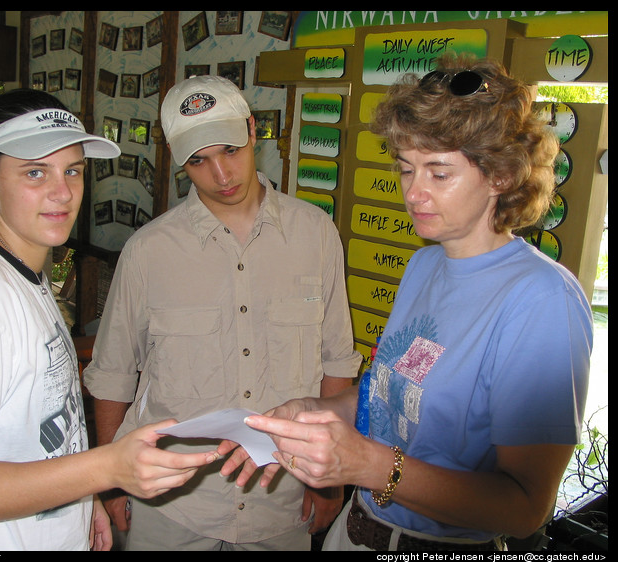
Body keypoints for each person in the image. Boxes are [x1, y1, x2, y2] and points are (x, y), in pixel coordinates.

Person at [236, 53, 594, 551]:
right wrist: (317, 409)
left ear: (502, 176)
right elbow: (389, 398)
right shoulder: (425, 264)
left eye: (439, 173)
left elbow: (524, 508)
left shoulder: (542, 300)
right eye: (407, 169)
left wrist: (364, 463)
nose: (415, 193)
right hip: (357, 530)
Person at [0, 89, 220, 551]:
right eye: (35, 172)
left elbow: (39, 435)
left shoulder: (26, 275)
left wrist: (82, 496)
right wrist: (106, 469)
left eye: (72, 170)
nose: (63, 192)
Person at [83, 75, 361, 551]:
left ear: (253, 131)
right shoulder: (148, 252)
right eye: (199, 160)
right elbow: (112, 377)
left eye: (230, 149)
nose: (222, 174)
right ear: (178, 161)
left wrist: (326, 480)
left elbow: (336, 364)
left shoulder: (315, 234)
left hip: (282, 498)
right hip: (171, 506)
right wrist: (111, 481)